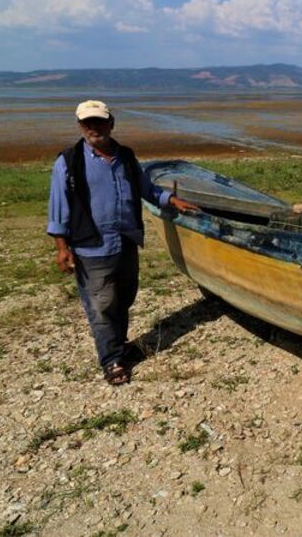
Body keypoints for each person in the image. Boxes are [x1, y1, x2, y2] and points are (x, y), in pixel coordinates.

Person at [47, 100, 198, 385]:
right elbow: (58, 208)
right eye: (87, 123)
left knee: (124, 297)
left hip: (126, 241)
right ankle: (112, 360)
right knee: (102, 304)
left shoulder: (126, 156)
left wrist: (171, 199)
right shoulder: (68, 161)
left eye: (99, 121)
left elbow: (146, 189)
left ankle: (118, 343)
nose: (94, 128)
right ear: (80, 126)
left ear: (111, 122)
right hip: (91, 246)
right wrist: (62, 248)